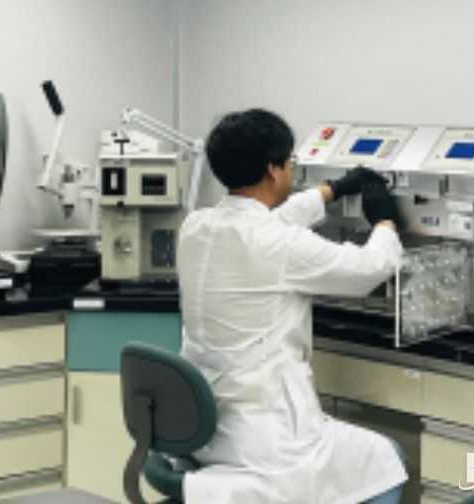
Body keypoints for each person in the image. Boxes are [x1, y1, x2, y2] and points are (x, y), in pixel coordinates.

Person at [176, 108, 407, 504]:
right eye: (290, 163)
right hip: (269, 443)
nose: (292, 170)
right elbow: (369, 269)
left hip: (207, 430)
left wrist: (332, 190)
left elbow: (268, 222)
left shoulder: (195, 226)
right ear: (273, 170)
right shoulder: (278, 245)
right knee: (387, 458)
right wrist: (385, 223)